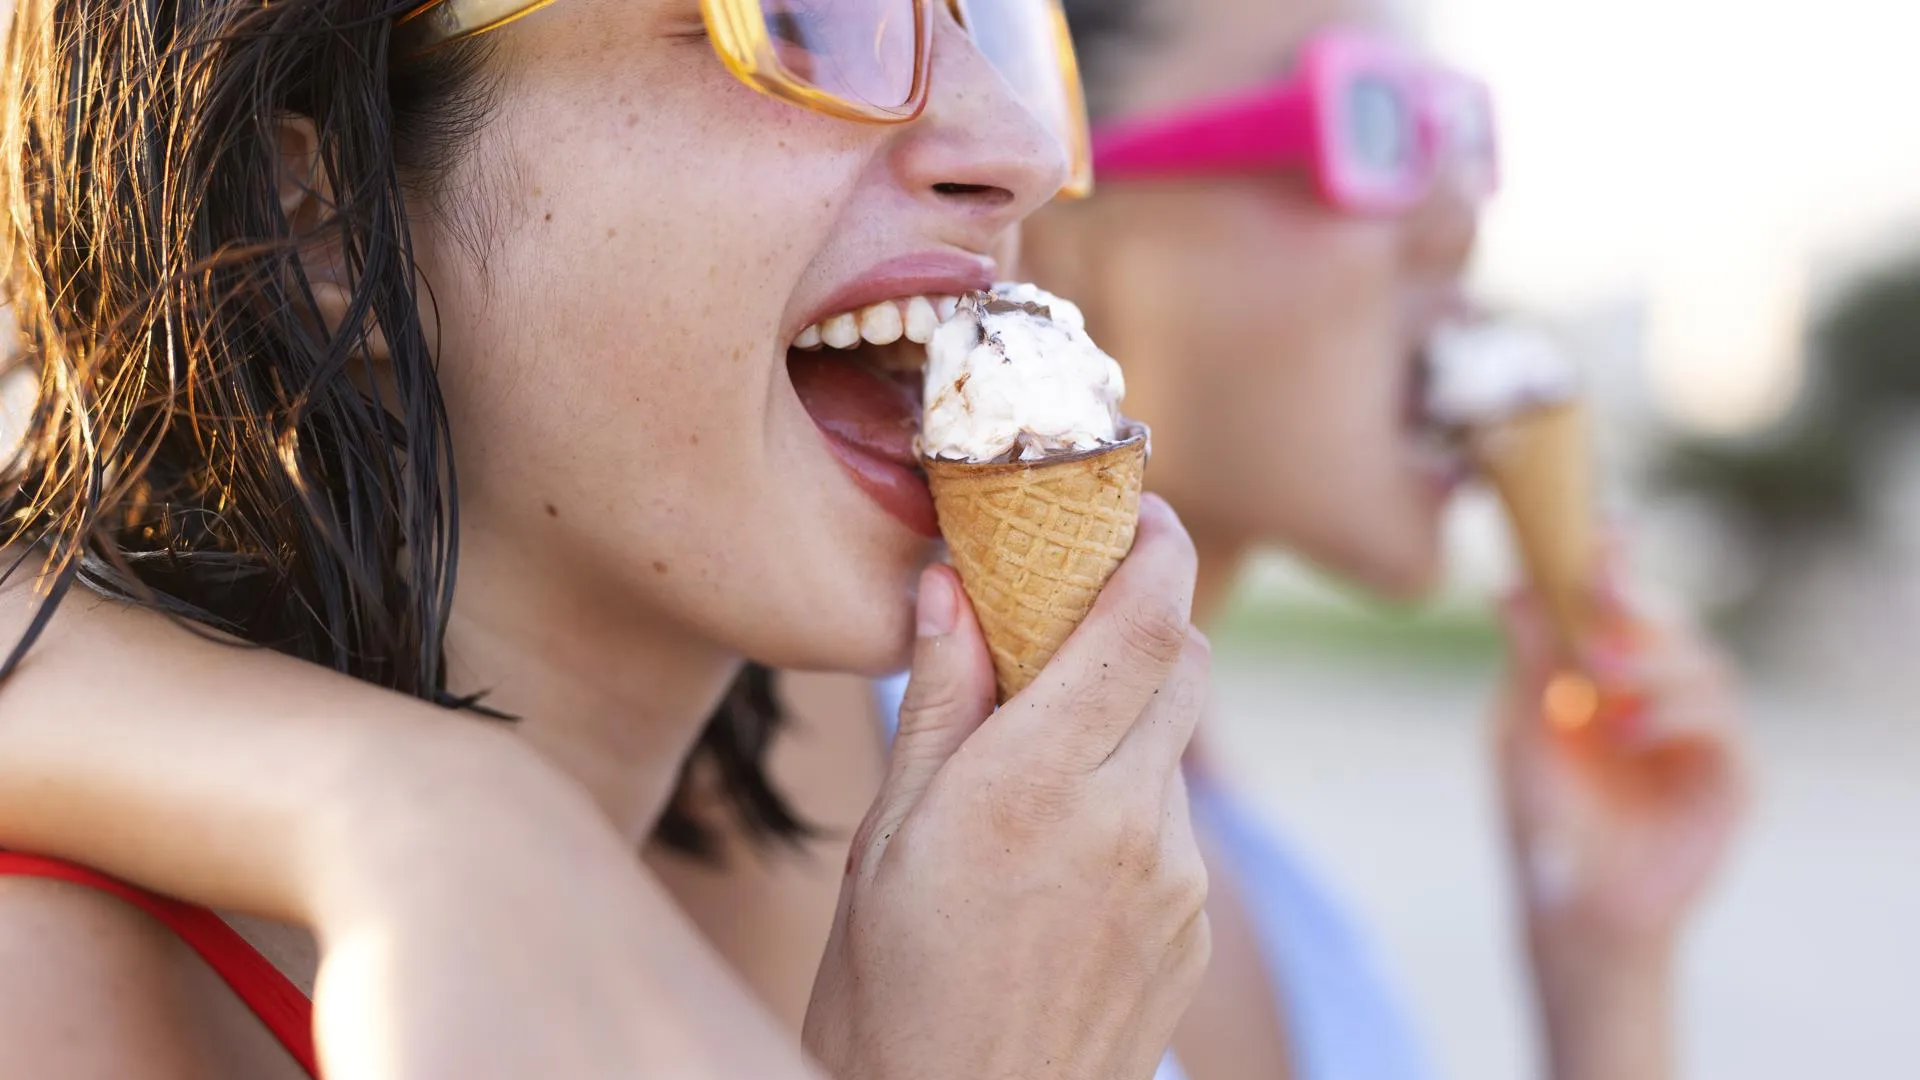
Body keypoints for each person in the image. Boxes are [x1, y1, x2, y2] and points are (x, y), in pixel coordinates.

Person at [0, 1, 1215, 1077]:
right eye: (807, 16)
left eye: (985, 16)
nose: (1022, 151)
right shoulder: (46, 1008)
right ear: (315, 215)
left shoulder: (890, 846)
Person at [659, 3, 1750, 1080]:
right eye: (1370, 120)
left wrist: (1608, 966)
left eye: (1461, 135)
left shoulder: (1227, 831)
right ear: (1068, 215)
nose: (1459, 219)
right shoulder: (820, 757)